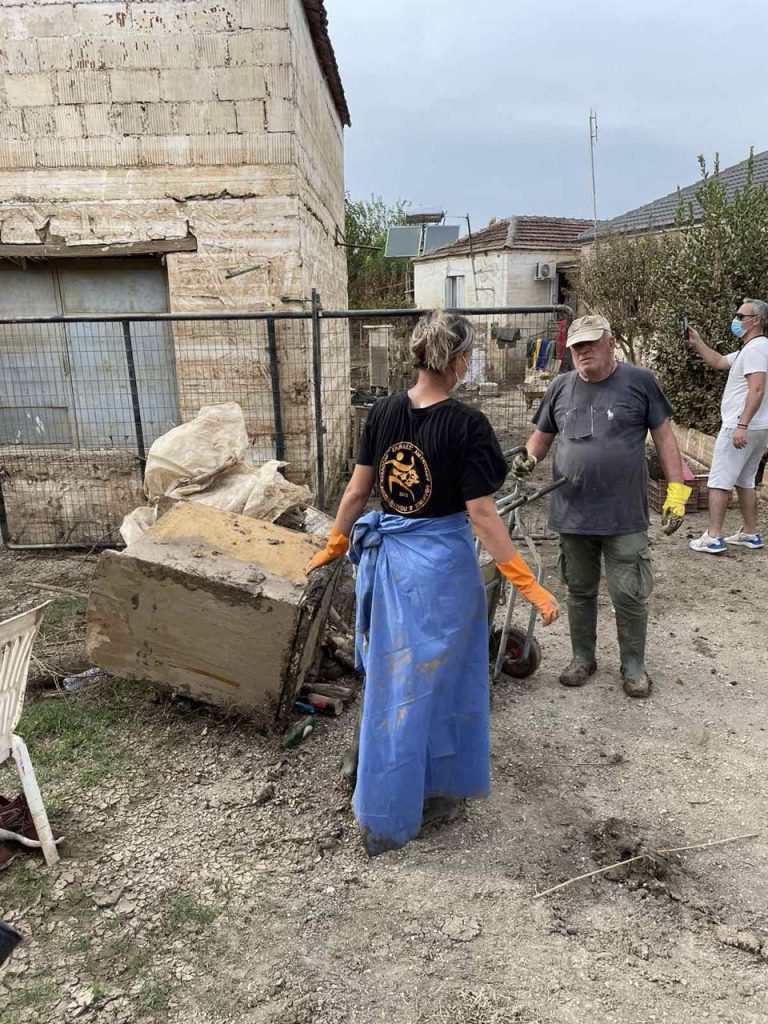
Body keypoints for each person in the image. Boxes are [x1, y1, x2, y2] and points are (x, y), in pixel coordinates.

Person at [307, 311, 559, 855]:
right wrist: (526, 583)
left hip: (389, 565)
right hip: (441, 573)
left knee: (390, 674)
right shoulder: (467, 427)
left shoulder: (382, 413)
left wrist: (334, 543)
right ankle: (417, 791)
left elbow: (355, 495)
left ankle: (368, 769)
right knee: (434, 681)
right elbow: (483, 515)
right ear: (461, 361)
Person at [512, 314, 690, 699]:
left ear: (610, 343)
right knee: (580, 590)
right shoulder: (560, 386)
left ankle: (633, 667)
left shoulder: (639, 381)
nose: (583, 351)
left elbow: (664, 437)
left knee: (628, 592)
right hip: (573, 512)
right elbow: (541, 438)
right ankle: (582, 658)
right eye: (577, 346)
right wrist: (528, 457)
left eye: (591, 343)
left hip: (623, 514)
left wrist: (677, 491)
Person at [685, 298, 768, 553]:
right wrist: (698, 343)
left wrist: (741, 424)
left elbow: (756, 388)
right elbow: (720, 361)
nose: (736, 320)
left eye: (741, 316)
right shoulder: (753, 347)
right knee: (745, 481)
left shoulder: (755, 349)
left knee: (719, 481)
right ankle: (751, 533)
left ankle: (713, 536)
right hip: (758, 427)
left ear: (756, 320)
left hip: (740, 426)